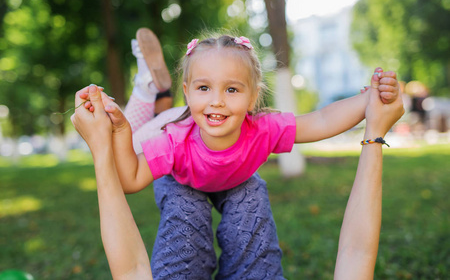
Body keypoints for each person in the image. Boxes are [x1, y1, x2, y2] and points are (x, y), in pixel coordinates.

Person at [77, 31, 400, 279]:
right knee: (182, 206)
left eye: (231, 89)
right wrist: (116, 130)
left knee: (251, 197)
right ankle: (151, 91)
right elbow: (131, 178)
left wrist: (369, 99)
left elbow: (321, 120)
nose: (217, 100)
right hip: (179, 167)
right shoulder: (173, 141)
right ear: (187, 91)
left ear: (252, 97)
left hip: (234, 177)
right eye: (204, 88)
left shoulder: (262, 128)